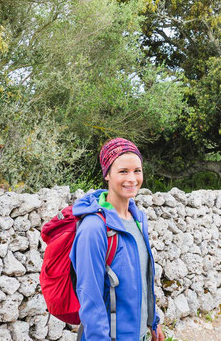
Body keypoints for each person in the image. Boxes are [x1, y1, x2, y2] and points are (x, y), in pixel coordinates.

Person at [70, 138, 165, 341]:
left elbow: (142, 279)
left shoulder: (138, 219)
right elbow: (90, 299)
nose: (132, 178)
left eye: (137, 171)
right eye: (123, 171)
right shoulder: (94, 228)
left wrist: (152, 322)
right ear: (107, 174)